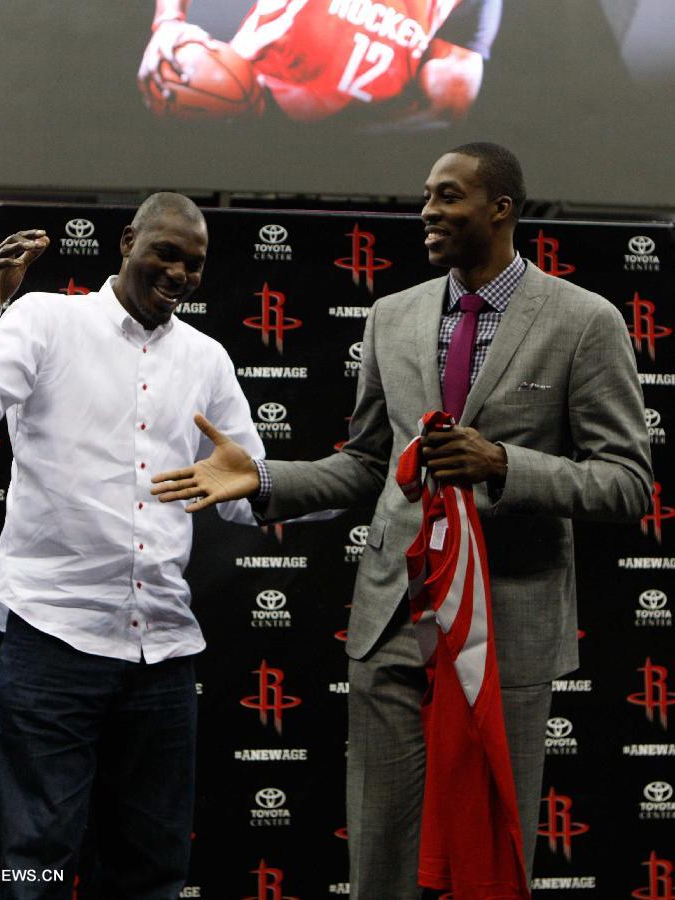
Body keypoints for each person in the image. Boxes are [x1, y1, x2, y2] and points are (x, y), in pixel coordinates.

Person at [151, 144, 653, 898]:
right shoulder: (394, 315)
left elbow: (626, 483)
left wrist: (505, 465)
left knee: (488, 849)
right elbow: (365, 462)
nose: (427, 211)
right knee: (380, 851)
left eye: (448, 197)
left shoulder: (585, 322)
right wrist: (262, 479)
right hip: (393, 615)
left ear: (501, 210)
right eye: (426, 195)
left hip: (506, 629)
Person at [0, 193, 264, 900]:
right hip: (55, 636)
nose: (178, 272)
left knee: (152, 871)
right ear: (127, 241)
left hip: (164, 651)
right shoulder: (48, 319)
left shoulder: (206, 359)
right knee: (40, 863)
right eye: (166, 253)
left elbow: (248, 489)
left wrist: (346, 483)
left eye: (195, 263)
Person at [138, 0, 502, 124]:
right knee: (183, 75)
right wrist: (169, 21)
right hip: (255, 93)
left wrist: (350, 141)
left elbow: (452, 98)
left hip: (353, 140)